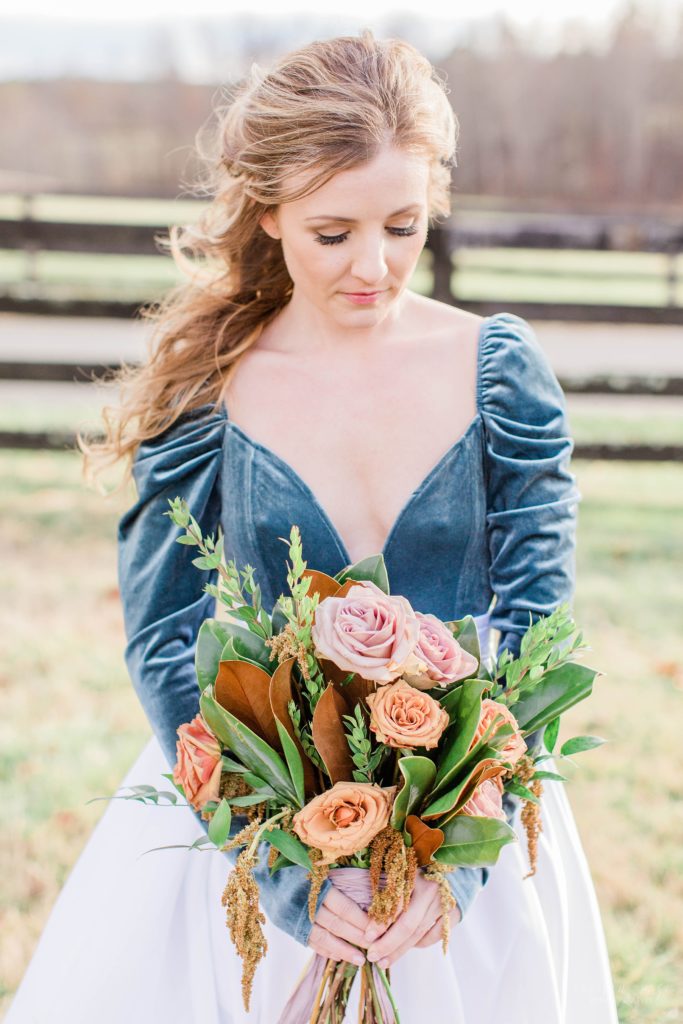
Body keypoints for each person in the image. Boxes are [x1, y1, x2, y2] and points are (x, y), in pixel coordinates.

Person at [6, 29, 619, 1023]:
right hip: (248, 834)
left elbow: (537, 621)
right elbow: (168, 637)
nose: (372, 266)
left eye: (403, 225)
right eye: (332, 232)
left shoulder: (496, 376)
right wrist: (290, 871)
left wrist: (450, 864)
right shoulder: (211, 392)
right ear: (269, 212)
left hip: (469, 841)